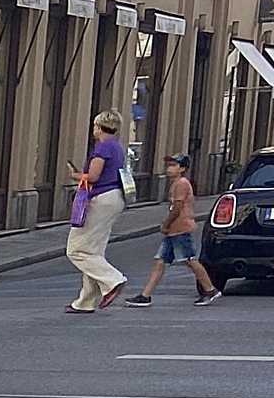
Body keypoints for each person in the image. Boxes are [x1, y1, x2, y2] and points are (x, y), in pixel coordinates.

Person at [127, 154, 222, 306]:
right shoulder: (177, 183)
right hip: (174, 230)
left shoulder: (182, 184)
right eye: (169, 165)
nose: (169, 168)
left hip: (181, 228)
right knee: (159, 261)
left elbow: (177, 208)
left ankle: (210, 289)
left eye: (173, 165)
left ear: (182, 168)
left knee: (190, 260)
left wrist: (166, 224)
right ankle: (145, 296)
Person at [62, 109, 130, 313]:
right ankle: (85, 302)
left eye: (95, 126)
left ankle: (113, 280)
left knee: (77, 250)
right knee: (93, 250)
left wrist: (74, 175)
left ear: (98, 127)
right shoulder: (117, 147)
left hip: (101, 198)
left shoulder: (103, 148)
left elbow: (93, 176)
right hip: (115, 197)